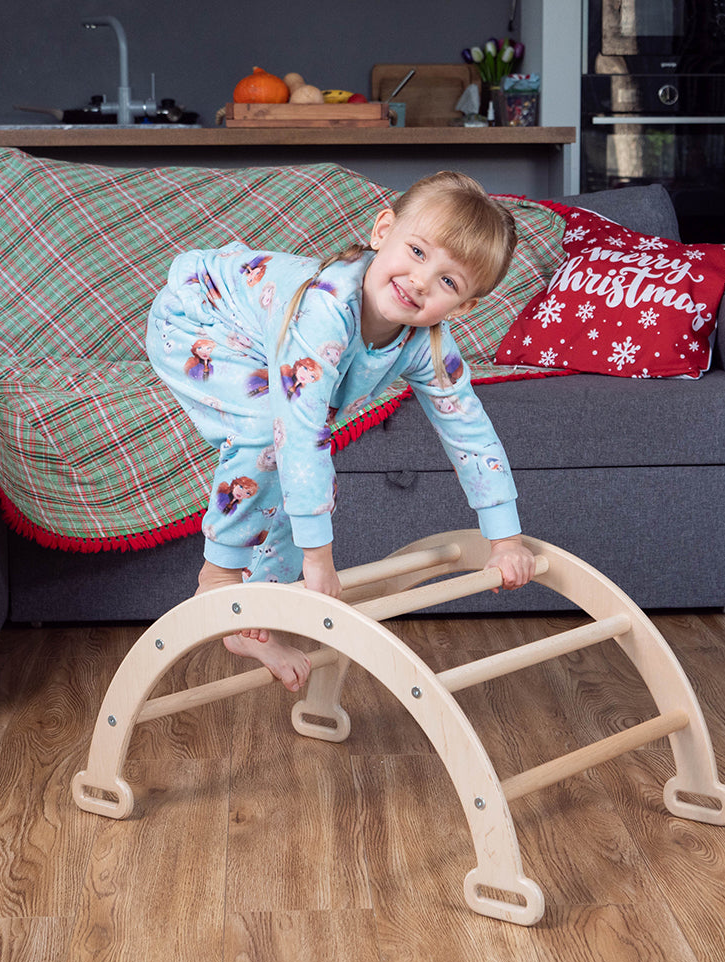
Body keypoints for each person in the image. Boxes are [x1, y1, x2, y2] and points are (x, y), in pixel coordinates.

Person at [147, 171, 538, 692]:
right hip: (199, 318)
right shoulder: (326, 308)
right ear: (383, 232)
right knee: (273, 435)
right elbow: (300, 428)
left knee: (310, 478)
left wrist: (505, 539)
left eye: (448, 282)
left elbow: (469, 431)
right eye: (417, 252)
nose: (421, 281)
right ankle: (218, 579)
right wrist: (318, 558)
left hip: (261, 343)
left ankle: (254, 617)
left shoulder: (428, 345)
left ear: (463, 307)